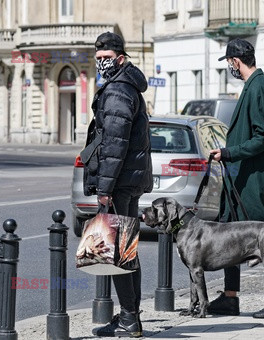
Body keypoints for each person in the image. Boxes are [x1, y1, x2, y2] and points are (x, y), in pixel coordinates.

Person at [209, 38, 264, 319]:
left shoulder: (259, 88)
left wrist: (229, 153)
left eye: (229, 62)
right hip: (243, 179)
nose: (229, 67)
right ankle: (230, 297)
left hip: (254, 182)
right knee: (229, 234)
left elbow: (263, 138)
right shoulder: (254, 85)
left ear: (235, 61)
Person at [86, 32, 153, 338]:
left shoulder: (117, 91)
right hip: (129, 182)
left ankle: (129, 318)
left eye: (107, 58)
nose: (102, 63)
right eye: (98, 59)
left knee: (116, 253)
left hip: (119, 184)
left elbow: (114, 144)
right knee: (126, 251)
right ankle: (131, 318)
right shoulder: (127, 87)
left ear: (121, 58)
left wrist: (104, 188)